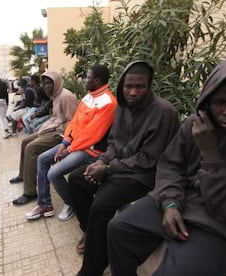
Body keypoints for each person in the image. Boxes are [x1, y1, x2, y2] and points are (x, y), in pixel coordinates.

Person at [107, 54, 226, 276]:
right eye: (220, 102)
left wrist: (211, 155)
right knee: (118, 229)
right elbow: (170, 165)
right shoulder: (195, 124)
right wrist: (169, 203)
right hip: (181, 200)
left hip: (222, 226)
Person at [69, 61, 180, 276]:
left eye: (140, 87)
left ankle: (92, 268)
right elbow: (113, 143)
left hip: (144, 175)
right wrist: (102, 161)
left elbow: (149, 159)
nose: (133, 92)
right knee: (76, 179)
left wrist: (108, 169)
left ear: (149, 87)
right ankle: (91, 234)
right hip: (119, 168)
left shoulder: (164, 113)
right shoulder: (121, 106)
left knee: (101, 205)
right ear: (122, 85)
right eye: (129, 86)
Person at [24, 64, 117, 221]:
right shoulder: (89, 96)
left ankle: (72, 203)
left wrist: (70, 149)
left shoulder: (108, 102)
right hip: (76, 145)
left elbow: (92, 134)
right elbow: (74, 122)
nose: (84, 80)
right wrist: (65, 143)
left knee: (54, 173)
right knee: (42, 159)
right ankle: (45, 204)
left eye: (88, 77)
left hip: (90, 150)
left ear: (98, 80)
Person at [11, 71, 79, 206]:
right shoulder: (56, 95)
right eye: (44, 83)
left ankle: (30, 192)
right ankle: (23, 175)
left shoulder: (66, 96)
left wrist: (58, 132)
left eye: (49, 83)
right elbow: (55, 117)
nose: (46, 86)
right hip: (53, 129)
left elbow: (73, 122)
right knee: (25, 141)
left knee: (31, 148)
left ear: (57, 82)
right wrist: (47, 125)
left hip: (61, 135)